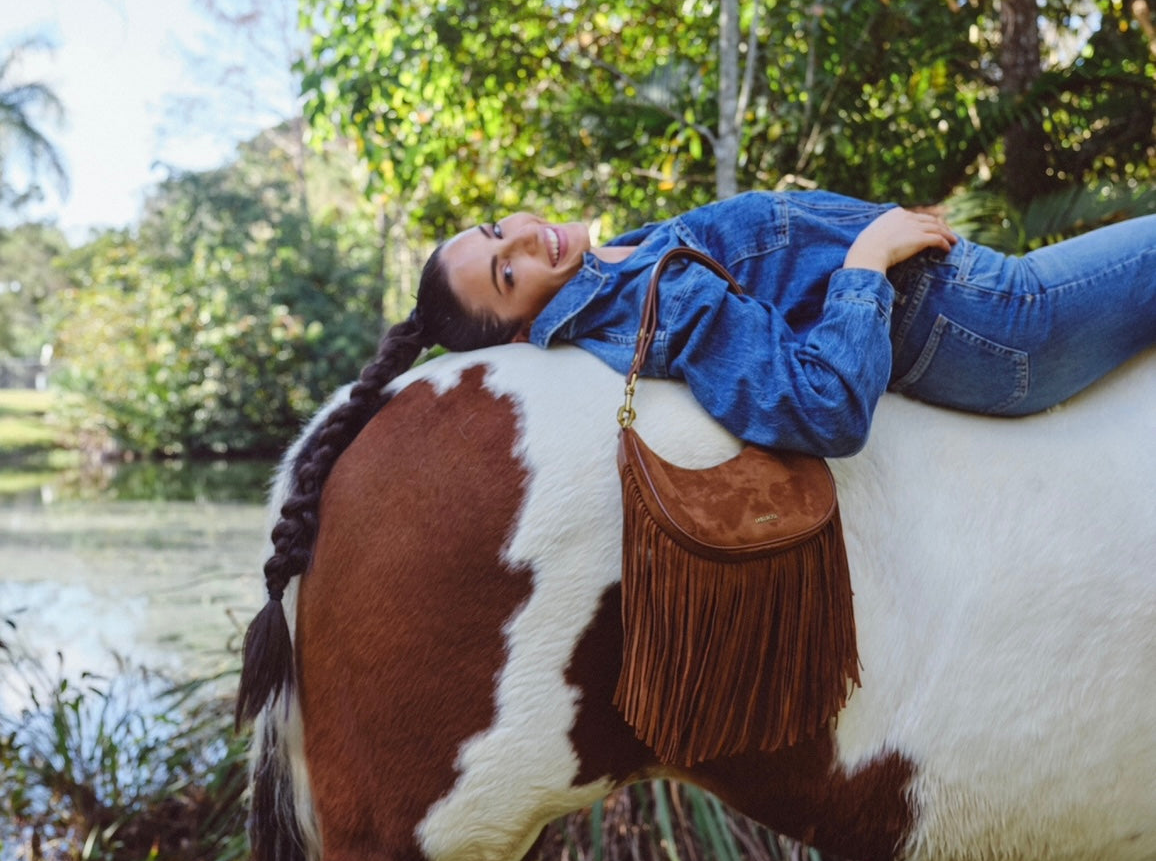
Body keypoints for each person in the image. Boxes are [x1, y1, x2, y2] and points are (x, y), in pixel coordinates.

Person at [260, 190, 1156, 613]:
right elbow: (827, 409)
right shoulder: (659, 301)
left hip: (961, 292)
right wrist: (866, 260)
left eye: (500, 230)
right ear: (524, 330)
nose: (527, 238)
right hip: (995, 318)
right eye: (507, 271)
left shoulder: (622, 263)